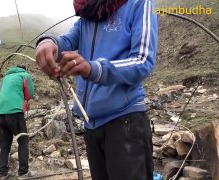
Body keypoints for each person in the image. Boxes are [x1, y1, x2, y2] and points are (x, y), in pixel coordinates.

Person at [35, 0, 158, 179]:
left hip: (125, 122)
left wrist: (93, 69)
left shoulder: (139, 3)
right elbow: (67, 40)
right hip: (91, 125)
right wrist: (47, 42)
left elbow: (143, 60)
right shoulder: (89, 11)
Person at [0, 65, 35, 180]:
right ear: (24, 69)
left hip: (0, 113)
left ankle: (2, 173)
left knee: (5, 144)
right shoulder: (25, 75)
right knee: (23, 141)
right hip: (15, 112)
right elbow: (29, 94)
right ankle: (23, 172)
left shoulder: (6, 78)